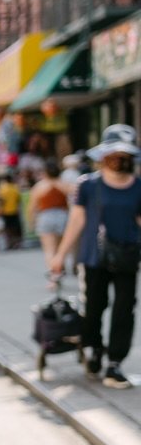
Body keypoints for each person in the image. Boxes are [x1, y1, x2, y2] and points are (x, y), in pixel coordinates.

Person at [49, 125, 141, 389]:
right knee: (93, 307)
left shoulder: (138, 187)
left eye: (125, 154)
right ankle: (94, 350)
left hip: (127, 257)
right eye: (115, 154)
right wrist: (60, 256)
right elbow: (76, 221)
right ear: (104, 156)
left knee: (125, 310)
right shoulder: (88, 185)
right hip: (93, 258)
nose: (120, 159)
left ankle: (115, 363)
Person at [29, 159, 70, 286]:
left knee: (49, 250)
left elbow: (32, 207)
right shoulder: (64, 184)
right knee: (60, 249)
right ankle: (58, 271)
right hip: (63, 216)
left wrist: (31, 222)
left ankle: (54, 276)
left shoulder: (40, 186)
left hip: (46, 217)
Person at [0, 172, 23, 250]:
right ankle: (15, 243)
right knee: (14, 228)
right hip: (14, 211)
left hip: (5, 212)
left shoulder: (3, 189)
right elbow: (18, 200)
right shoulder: (15, 188)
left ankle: (9, 243)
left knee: (7, 229)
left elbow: (1, 201)